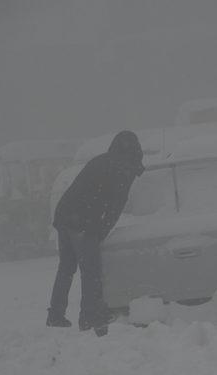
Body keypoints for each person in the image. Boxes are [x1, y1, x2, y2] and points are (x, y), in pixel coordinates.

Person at [47, 130, 144, 335]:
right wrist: (100, 232)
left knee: (66, 268)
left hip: (66, 215)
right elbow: (114, 208)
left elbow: (87, 191)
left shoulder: (103, 160)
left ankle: (55, 316)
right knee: (91, 272)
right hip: (82, 221)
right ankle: (89, 318)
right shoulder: (123, 169)